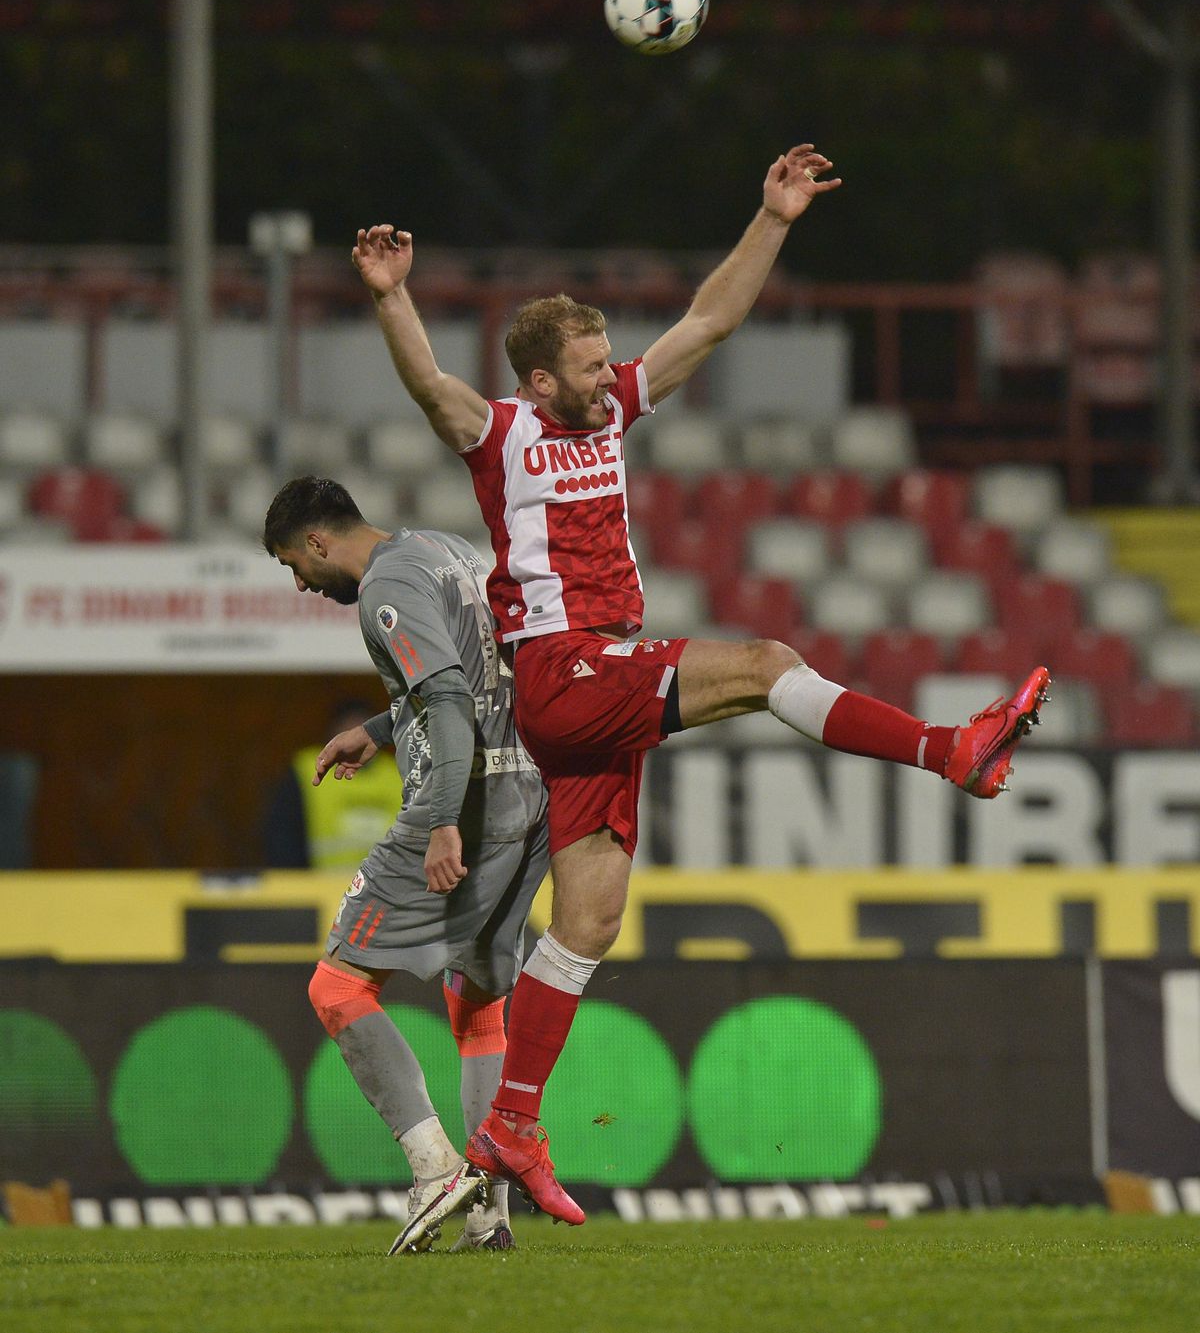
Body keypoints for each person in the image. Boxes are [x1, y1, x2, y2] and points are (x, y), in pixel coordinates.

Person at [352, 143, 1051, 1225]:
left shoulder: (613, 411)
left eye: (607, 361)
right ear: (539, 381)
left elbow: (711, 322)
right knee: (766, 665)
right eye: (589, 367)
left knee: (589, 919)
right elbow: (429, 387)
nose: (609, 376)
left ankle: (512, 1122)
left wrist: (773, 219)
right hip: (566, 669)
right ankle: (948, 750)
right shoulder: (503, 433)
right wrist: (393, 296)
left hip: (596, 686)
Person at [263, 475, 553, 1253]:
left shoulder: (384, 587)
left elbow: (451, 701)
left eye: (294, 564)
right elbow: (479, 674)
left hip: (466, 801)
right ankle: (490, 1213)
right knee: (477, 1000)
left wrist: (443, 821)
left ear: (317, 541)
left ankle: (434, 1168)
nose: (301, 582)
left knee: (337, 985)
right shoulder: (443, 550)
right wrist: (380, 727)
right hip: (530, 794)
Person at [261, 697, 406, 870]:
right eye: (348, 731)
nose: (355, 742)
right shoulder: (307, 769)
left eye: (362, 732)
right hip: (323, 883)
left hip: (386, 883)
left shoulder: (398, 772)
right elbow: (282, 834)